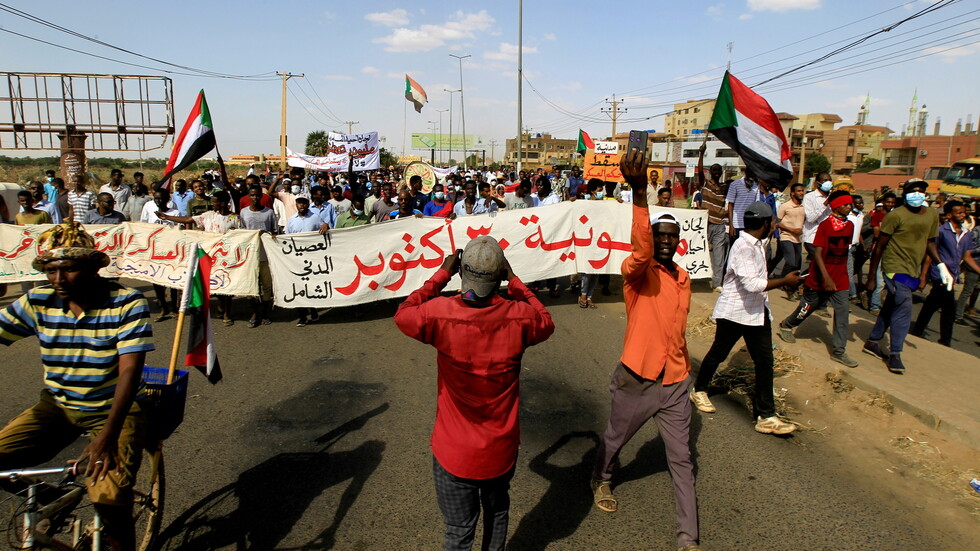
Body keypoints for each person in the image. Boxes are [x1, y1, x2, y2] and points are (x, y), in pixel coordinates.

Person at [0, 222, 154, 551]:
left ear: (92, 268)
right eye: (51, 270)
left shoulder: (127, 302)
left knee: (111, 502)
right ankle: (53, 498)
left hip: (113, 410)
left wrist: (108, 435)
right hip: (57, 406)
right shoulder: (38, 300)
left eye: (68, 269)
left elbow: (130, 371)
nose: (57, 279)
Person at [394, 237, 554, 551]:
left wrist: (440, 275)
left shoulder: (439, 314)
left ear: (462, 273)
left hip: (453, 452)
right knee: (497, 513)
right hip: (499, 451)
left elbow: (403, 313)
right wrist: (516, 281)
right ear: (499, 277)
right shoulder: (519, 318)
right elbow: (546, 321)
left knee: (458, 532)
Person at [590, 148, 702, 551]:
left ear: (680, 243)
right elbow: (639, 248)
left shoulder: (684, 279)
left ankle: (687, 537)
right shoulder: (637, 273)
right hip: (637, 377)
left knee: (683, 462)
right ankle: (600, 476)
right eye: (660, 237)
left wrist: (686, 375)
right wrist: (640, 194)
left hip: (674, 382)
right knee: (615, 441)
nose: (666, 242)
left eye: (672, 237)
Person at [690, 201, 801, 435]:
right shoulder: (743, 247)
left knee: (764, 362)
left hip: (757, 312)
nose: (773, 225)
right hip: (735, 312)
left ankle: (766, 415)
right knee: (719, 353)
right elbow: (752, 284)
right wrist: (785, 281)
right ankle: (699, 389)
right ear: (764, 223)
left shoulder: (759, 243)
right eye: (771, 222)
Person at [863, 179, 947, 374]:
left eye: (921, 192)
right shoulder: (896, 216)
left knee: (893, 304)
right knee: (904, 305)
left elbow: (931, 243)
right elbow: (880, 246)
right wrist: (872, 278)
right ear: (905, 194)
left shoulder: (932, 215)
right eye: (913, 191)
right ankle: (896, 353)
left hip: (912, 269)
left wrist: (941, 265)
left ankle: (873, 342)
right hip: (893, 266)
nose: (917, 195)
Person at [777, 191, 858, 367]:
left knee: (842, 312)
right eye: (846, 204)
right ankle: (787, 324)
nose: (850, 207)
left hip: (840, 277)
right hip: (821, 276)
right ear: (836, 206)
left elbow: (844, 252)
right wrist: (827, 278)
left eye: (850, 204)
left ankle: (839, 351)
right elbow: (818, 255)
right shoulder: (825, 226)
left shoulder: (850, 226)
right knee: (807, 307)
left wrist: (844, 274)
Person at [156, 190, 242, 326]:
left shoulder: (235, 219)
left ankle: (226, 313)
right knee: (208, 284)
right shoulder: (208, 216)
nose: (212, 204)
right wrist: (167, 218)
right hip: (208, 256)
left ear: (222, 203)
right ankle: (211, 309)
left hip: (226, 258)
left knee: (226, 286)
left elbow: (242, 237)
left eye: (214, 202)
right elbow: (188, 219)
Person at [910, 200, 980, 346]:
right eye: (958, 212)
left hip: (952, 275)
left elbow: (966, 257)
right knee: (948, 307)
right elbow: (930, 254)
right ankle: (945, 340)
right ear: (949, 215)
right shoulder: (941, 231)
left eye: (963, 212)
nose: (962, 215)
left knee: (932, 304)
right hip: (939, 273)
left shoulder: (966, 234)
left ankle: (918, 329)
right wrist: (923, 275)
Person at [140, 189, 180, 321]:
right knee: (156, 281)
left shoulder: (175, 213)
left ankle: (174, 308)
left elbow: (179, 231)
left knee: (172, 281)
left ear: (167, 199)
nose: (158, 201)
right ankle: (163, 308)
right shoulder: (149, 208)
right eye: (156, 198)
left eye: (161, 199)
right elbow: (143, 226)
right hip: (154, 251)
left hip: (171, 251)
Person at [241, 185, 276, 328]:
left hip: (266, 256)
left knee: (267, 286)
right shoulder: (244, 212)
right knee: (252, 287)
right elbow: (241, 232)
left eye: (257, 195)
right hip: (250, 256)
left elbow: (275, 232)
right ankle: (255, 312)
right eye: (252, 195)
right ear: (249, 196)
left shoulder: (269, 213)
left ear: (261, 197)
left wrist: (270, 235)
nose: (255, 198)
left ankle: (265, 313)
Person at [696, 147, 730, 292]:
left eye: (718, 170)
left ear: (721, 173)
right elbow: (699, 170)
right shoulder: (705, 184)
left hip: (720, 225)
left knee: (719, 256)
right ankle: (694, 276)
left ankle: (717, 283)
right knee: (698, 251)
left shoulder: (725, 187)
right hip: (707, 223)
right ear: (710, 172)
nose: (716, 172)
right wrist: (701, 154)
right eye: (714, 170)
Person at [867, 192, 897, 313]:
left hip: (891, 252)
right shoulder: (878, 216)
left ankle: (873, 297)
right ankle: (874, 305)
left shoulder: (895, 216)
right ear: (883, 202)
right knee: (879, 280)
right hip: (878, 250)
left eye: (892, 202)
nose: (890, 204)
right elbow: (877, 234)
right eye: (888, 202)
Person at [775, 183, 806, 284]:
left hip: (797, 239)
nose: (801, 193)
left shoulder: (803, 207)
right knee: (791, 262)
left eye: (802, 191)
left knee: (797, 265)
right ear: (792, 193)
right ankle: (784, 281)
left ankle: (792, 284)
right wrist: (792, 230)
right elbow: (777, 222)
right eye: (799, 191)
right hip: (786, 237)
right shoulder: (785, 206)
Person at [802, 172, 833, 265]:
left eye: (829, 180)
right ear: (818, 183)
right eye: (825, 180)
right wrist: (825, 203)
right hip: (813, 238)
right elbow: (810, 218)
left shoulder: (832, 196)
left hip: (828, 238)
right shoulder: (809, 197)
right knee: (818, 265)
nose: (828, 182)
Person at [724, 168, 763, 238]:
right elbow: (730, 205)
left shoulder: (756, 186)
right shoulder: (735, 184)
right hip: (736, 224)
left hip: (749, 225)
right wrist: (731, 225)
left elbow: (757, 205)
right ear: (746, 172)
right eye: (750, 172)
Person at [846, 194, 868, 302]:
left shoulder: (861, 216)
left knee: (853, 270)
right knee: (849, 272)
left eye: (861, 203)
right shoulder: (847, 216)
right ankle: (853, 294)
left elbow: (859, 233)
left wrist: (863, 246)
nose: (860, 205)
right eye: (857, 203)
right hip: (847, 247)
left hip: (856, 247)